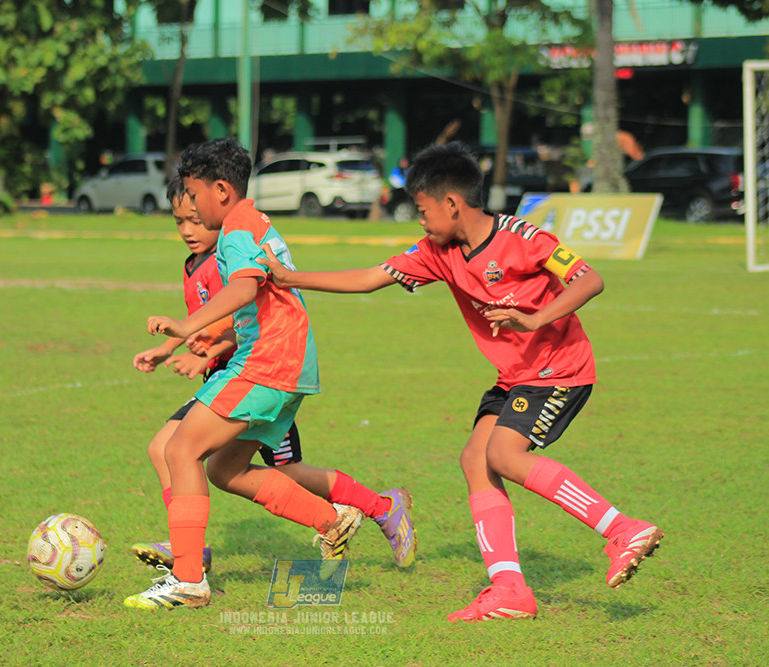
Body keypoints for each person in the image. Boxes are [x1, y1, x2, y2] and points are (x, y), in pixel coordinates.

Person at [259, 142, 664, 623]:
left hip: (558, 368)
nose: (422, 221)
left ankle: (622, 528)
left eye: (424, 210)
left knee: (502, 456)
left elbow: (588, 280)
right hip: (515, 378)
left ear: (451, 203)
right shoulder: (437, 252)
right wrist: (289, 278)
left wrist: (535, 320)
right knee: (475, 459)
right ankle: (510, 588)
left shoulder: (521, 235)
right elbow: (371, 277)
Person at [125, 138, 407, 612]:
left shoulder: (236, 232)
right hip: (289, 360)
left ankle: (189, 580)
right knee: (225, 469)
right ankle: (331, 520)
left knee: (180, 448)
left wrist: (189, 327)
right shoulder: (255, 221)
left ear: (220, 189)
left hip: (268, 360)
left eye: (193, 196)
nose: (190, 206)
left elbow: (242, 287)